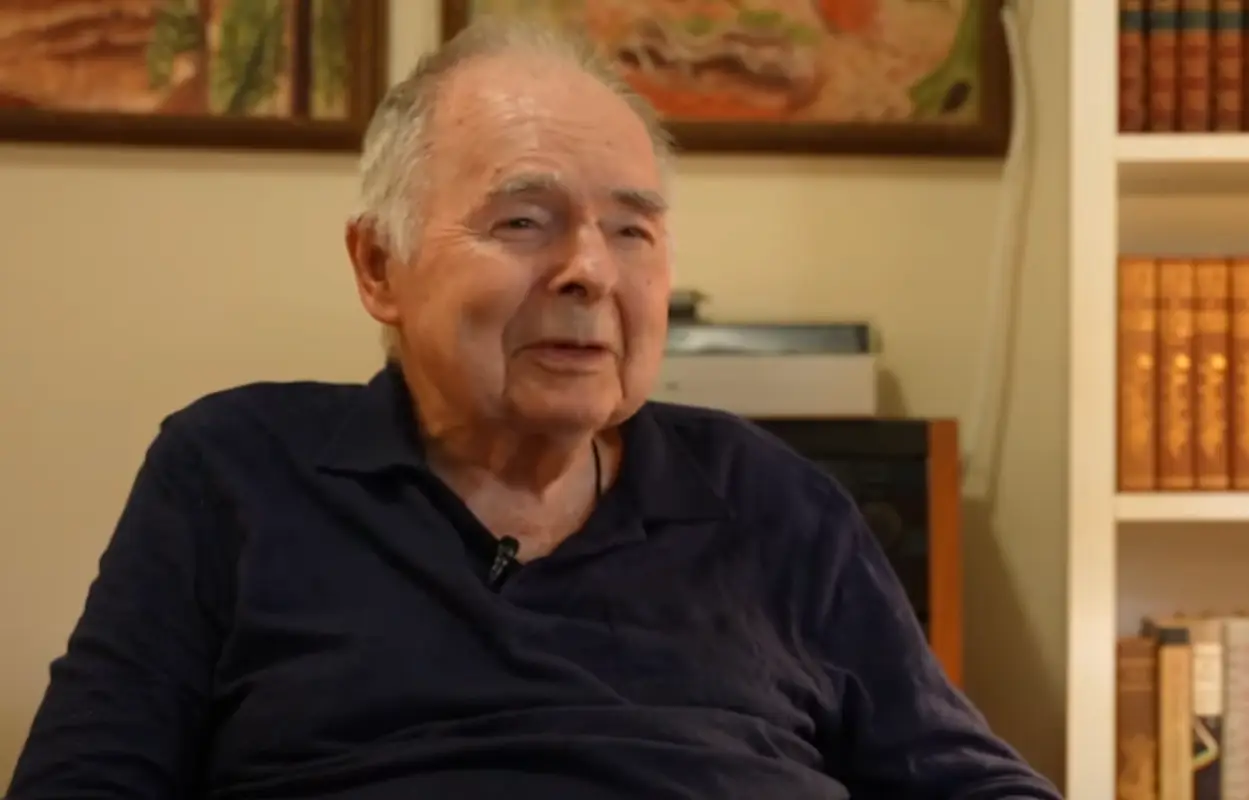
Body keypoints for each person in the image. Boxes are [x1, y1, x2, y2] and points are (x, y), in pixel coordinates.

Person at [6, 18, 1063, 800]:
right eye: (523, 220)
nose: (589, 271)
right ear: (379, 265)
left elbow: (971, 783)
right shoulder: (233, 472)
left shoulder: (777, 505)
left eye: (631, 230)